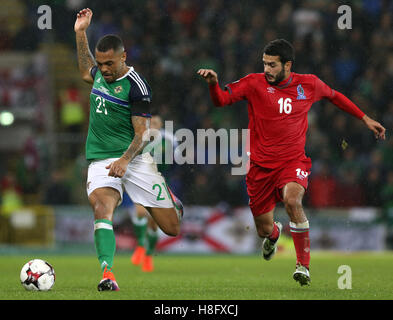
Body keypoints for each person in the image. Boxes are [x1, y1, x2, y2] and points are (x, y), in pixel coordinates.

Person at [197, 39, 386, 286]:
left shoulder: (308, 84)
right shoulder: (253, 83)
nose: (267, 69)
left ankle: (303, 266)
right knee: (264, 230)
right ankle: (275, 234)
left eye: (272, 65)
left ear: (288, 65)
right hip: (260, 168)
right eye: (264, 64)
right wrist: (213, 84)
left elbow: (335, 96)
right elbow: (221, 100)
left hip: (292, 162)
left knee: (293, 200)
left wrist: (365, 118)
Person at [74, 8, 183, 291]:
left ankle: (164, 195)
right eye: (101, 63)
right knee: (102, 207)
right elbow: (86, 70)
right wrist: (80, 32)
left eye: (109, 63)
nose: (104, 69)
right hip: (101, 159)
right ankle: (107, 274)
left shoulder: (137, 87)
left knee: (171, 228)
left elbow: (144, 134)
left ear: (123, 57)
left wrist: (124, 159)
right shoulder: (100, 73)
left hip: (133, 160)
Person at [130, 114, 179, 272]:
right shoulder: (141, 138)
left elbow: (173, 161)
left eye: (156, 123)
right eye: (151, 123)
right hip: (142, 181)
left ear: (161, 125)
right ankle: (140, 246)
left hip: (160, 182)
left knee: (153, 223)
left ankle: (149, 255)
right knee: (140, 211)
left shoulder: (167, 141)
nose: (153, 125)